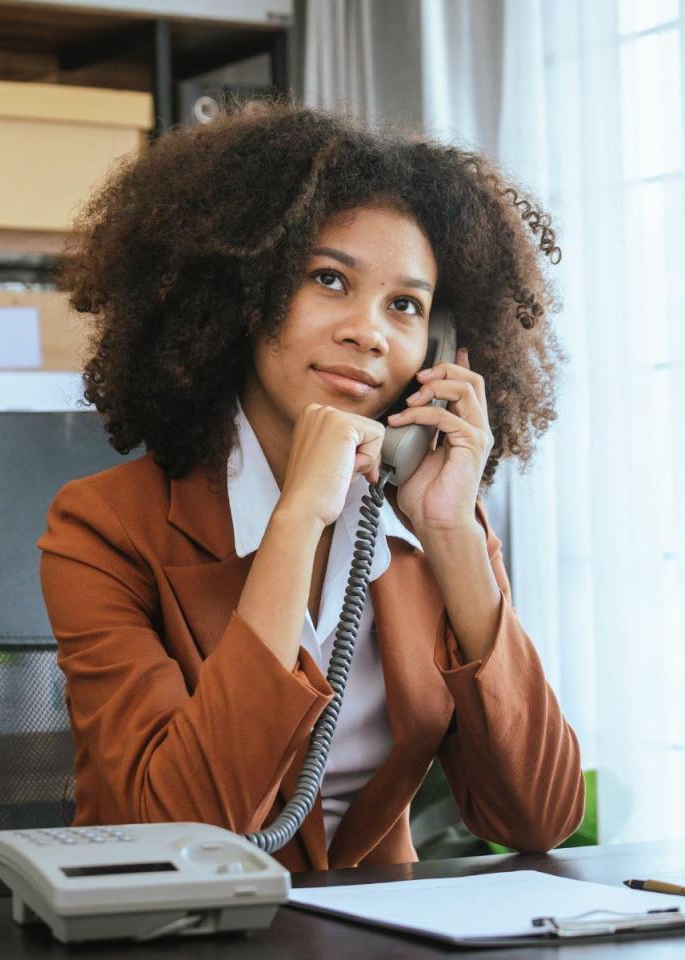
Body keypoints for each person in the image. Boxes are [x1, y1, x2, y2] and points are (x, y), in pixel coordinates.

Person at [37, 98, 585, 872]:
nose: (368, 330)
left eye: (405, 305)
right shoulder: (103, 527)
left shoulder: (427, 524)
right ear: (240, 293)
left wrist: (457, 536)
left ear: (440, 345)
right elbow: (179, 828)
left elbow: (538, 817)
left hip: (373, 937)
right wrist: (295, 521)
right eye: (329, 279)